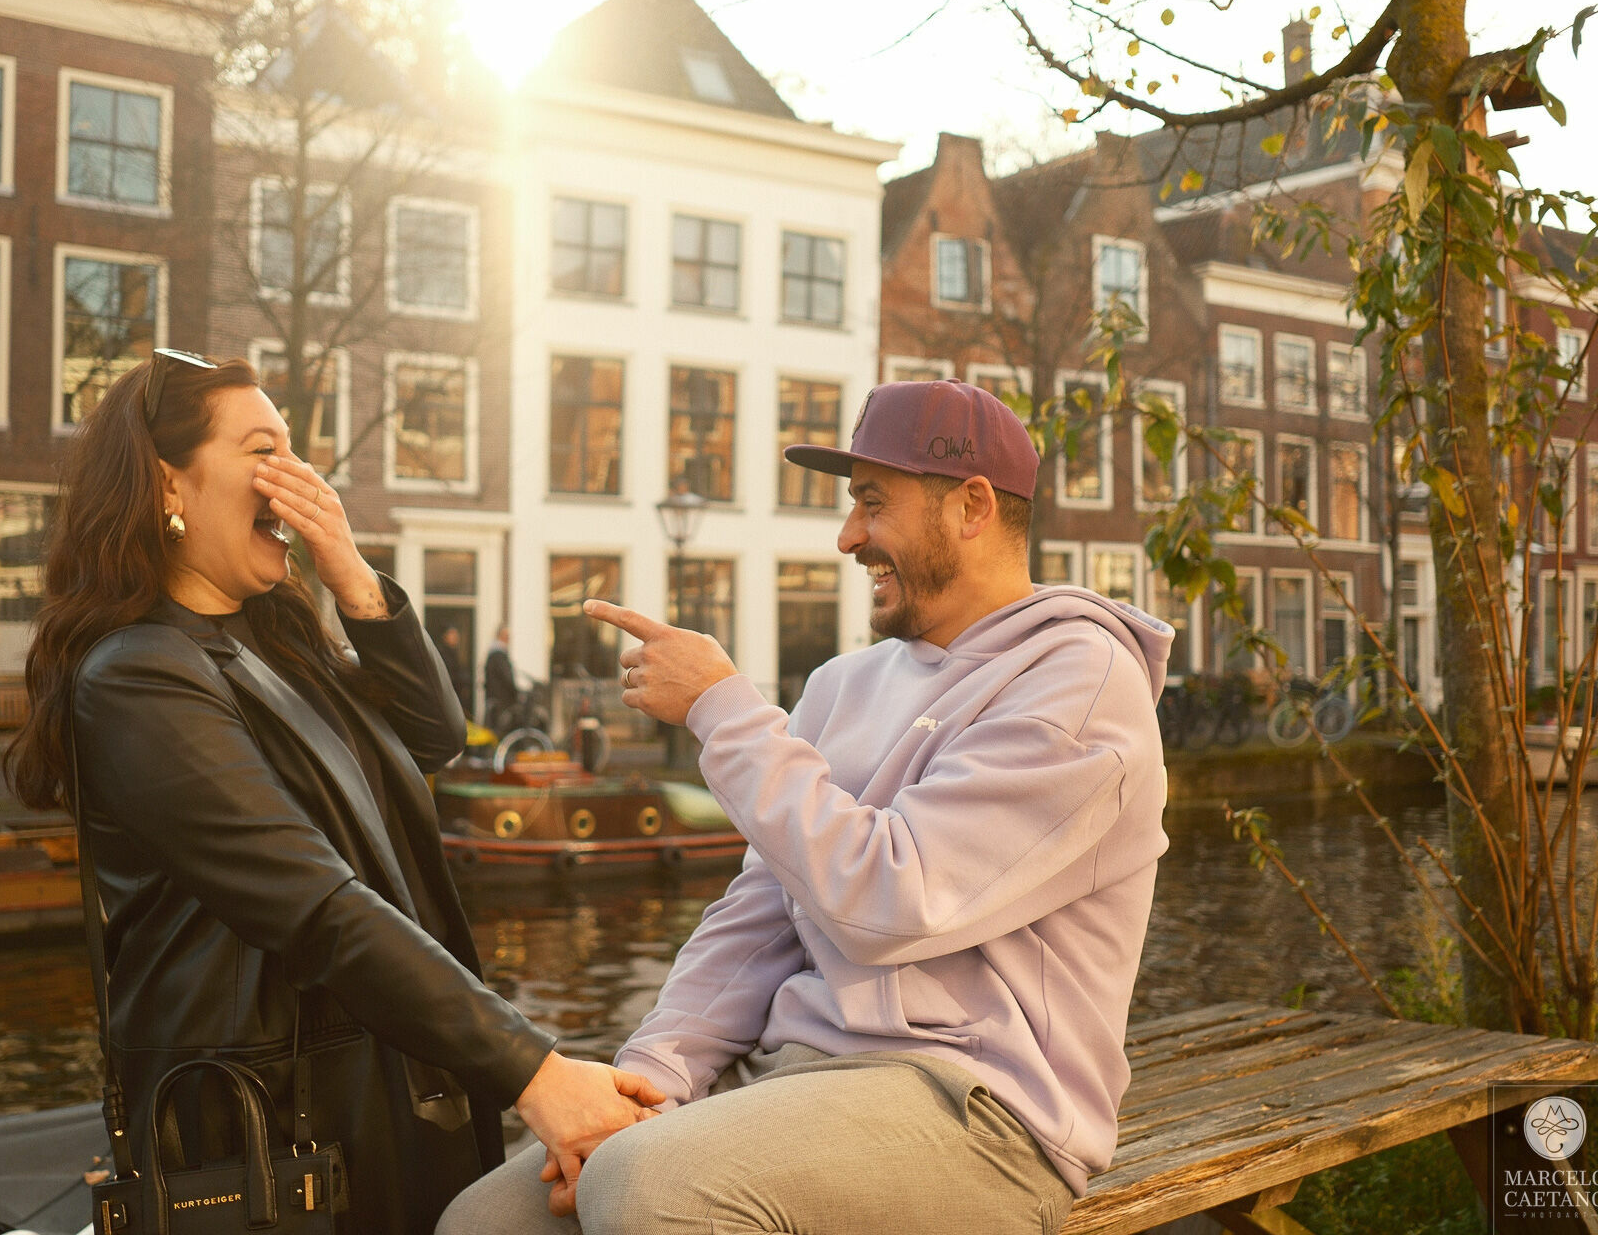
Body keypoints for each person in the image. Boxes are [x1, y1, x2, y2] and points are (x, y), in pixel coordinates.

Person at [439, 378, 1172, 1234]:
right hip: (789, 1078)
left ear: (972, 506)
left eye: (872, 502)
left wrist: (722, 707)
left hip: (984, 1109)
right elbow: (757, 916)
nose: (847, 536)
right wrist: (652, 1078)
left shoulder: (1080, 687)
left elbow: (892, 902)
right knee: (487, 1220)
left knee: (647, 1189)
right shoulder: (841, 684)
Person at [4, 352, 662, 1235]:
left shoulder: (272, 645)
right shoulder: (138, 675)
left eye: (297, 453)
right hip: (274, 1122)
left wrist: (351, 573)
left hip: (369, 1087)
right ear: (170, 481)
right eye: (263, 449)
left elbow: (432, 738)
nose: (296, 478)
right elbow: (311, 902)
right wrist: (535, 1071)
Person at [484, 625, 519, 731]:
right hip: (501, 699)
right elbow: (506, 677)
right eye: (507, 636)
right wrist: (515, 692)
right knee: (500, 728)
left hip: (495, 697)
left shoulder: (493, 654)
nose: (509, 639)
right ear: (501, 636)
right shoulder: (499, 655)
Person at [438, 623, 474, 718]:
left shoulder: (454, 654)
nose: (455, 638)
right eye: (452, 634)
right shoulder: (443, 654)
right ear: (445, 637)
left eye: (456, 635)